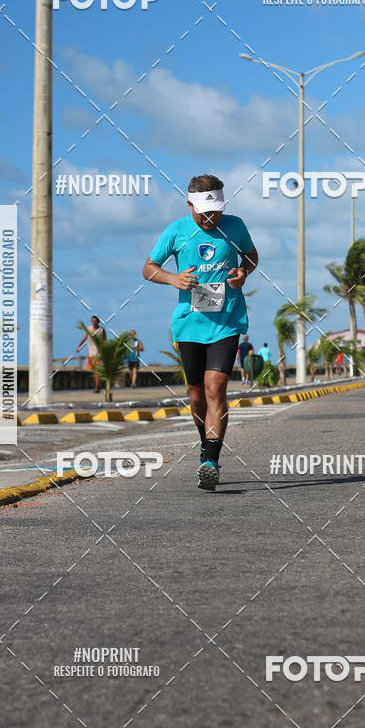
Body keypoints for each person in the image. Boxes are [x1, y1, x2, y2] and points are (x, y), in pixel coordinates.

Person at [143, 174, 258, 491]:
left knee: (215, 387)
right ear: (189, 205)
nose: (211, 218)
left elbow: (251, 256)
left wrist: (242, 272)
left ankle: (211, 462)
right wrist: (173, 279)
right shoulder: (176, 231)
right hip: (189, 323)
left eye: (216, 212)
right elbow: (149, 267)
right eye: (205, 213)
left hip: (227, 320)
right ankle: (205, 446)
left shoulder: (235, 226)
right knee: (196, 395)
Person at [76, 315, 106, 393]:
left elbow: (105, 341)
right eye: (92, 321)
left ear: (98, 322)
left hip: (99, 353)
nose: (94, 323)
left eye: (95, 321)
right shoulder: (89, 329)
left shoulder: (102, 330)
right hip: (91, 353)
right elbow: (84, 338)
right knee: (94, 371)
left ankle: (97, 387)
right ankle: (97, 385)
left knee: (97, 371)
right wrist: (79, 347)